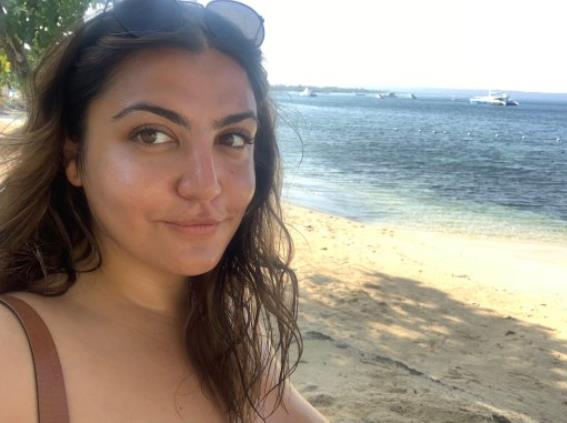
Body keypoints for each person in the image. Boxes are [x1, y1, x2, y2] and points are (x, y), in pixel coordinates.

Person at [0, 0, 328, 422]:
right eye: (152, 135)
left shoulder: (231, 332)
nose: (205, 185)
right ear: (73, 154)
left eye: (232, 138)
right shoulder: (14, 356)